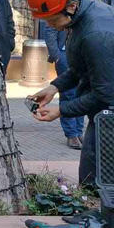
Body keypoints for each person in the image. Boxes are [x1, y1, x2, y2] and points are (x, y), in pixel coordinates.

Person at [27, 0, 114, 185]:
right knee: (91, 172)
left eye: (51, 19)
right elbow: (80, 68)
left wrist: (61, 110)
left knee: (104, 179)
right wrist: (54, 87)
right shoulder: (84, 15)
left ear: (71, 7)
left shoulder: (97, 33)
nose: (49, 25)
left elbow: (106, 94)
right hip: (112, 108)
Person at [40, 18, 83, 149]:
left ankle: (79, 131)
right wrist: (56, 55)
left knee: (81, 93)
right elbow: (50, 29)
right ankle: (71, 134)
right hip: (64, 55)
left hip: (82, 54)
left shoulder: (86, 8)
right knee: (68, 94)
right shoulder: (62, 6)